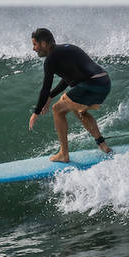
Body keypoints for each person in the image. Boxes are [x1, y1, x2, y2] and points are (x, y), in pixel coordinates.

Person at [27, 28, 112, 162]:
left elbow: (45, 87)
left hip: (90, 84)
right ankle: (103, 145)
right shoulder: (68, 49)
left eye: (35, 44)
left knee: (57, 109)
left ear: (43, 43)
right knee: (79, 110)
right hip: (104, 83)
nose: (33, 48)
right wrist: (50, 96)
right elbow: (69, 79)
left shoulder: (50, 60)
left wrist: (36, 112)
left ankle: (63, 154)